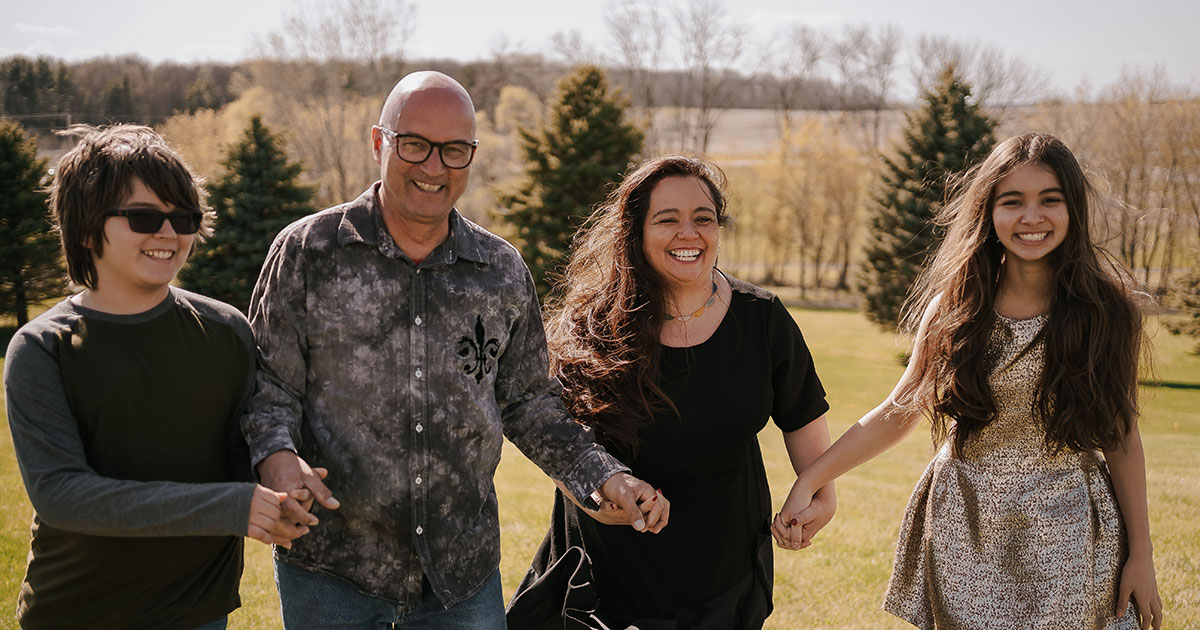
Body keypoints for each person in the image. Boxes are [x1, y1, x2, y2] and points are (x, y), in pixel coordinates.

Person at [242, 70, 665, 629]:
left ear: (472, 155)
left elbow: (531, 405)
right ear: (379, 143)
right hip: (331, 571)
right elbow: (266, 388)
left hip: (461, 581)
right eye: (414, 144)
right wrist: (276, 460)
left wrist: (603, 477)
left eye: (454, 150)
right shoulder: (308, 252)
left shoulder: (501, 271)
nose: (433, 167)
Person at [777, 132, 1164, 629]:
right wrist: (813, 477)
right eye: (1012, 202)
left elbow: (1122, 436)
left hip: (1069, 522)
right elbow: (899, 412)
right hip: (966, 521)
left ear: (1074, 210)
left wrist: (1142, 554)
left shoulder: (1107, 312)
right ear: (989, 211)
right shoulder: (956, 308)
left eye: (1050, 200)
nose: (1031, 217)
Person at [3, 124, 312, 630]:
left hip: (200, 612)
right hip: (79, 612)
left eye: (183, 217)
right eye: (144, 217)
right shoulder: (43, 348)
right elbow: (61, 495)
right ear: (84, 228)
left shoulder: (228, 330)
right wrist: (229, 507)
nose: (169, 234)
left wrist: (282, 480)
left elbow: (239, 456)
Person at [506, 154, 834, 629]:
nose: (689, 233)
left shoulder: (763, 320)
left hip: (723, 584)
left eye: (704, 219)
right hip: (603, 584)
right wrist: (595, 499)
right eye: (667, 220)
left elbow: (813, 450)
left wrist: (820, 500)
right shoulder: (592, 327)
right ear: (634, 234)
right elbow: (554, 442)